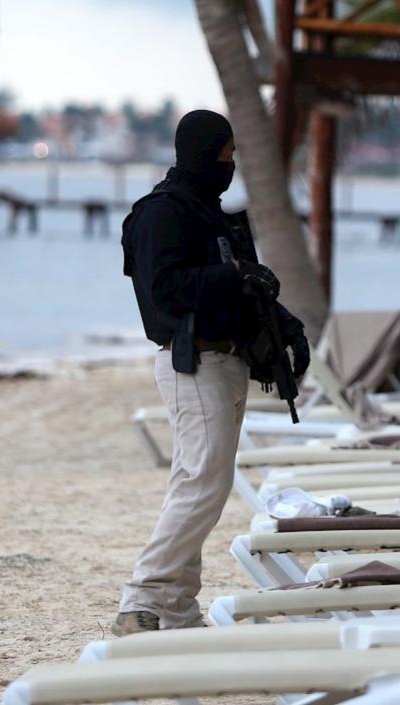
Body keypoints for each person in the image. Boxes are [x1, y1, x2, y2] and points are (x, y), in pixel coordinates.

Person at [114, 110, 310, 635]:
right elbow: (167, 290)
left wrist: (287, 326)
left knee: (201, 484)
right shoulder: (161, 214)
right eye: (226, 154)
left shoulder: (212, 213)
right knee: (202, 484)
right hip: (193, 360)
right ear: (203, 153)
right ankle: (143, 600)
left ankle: (175, 608)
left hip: (229, 360)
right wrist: (234, 272)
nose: (231, 164)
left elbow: (247, 288)